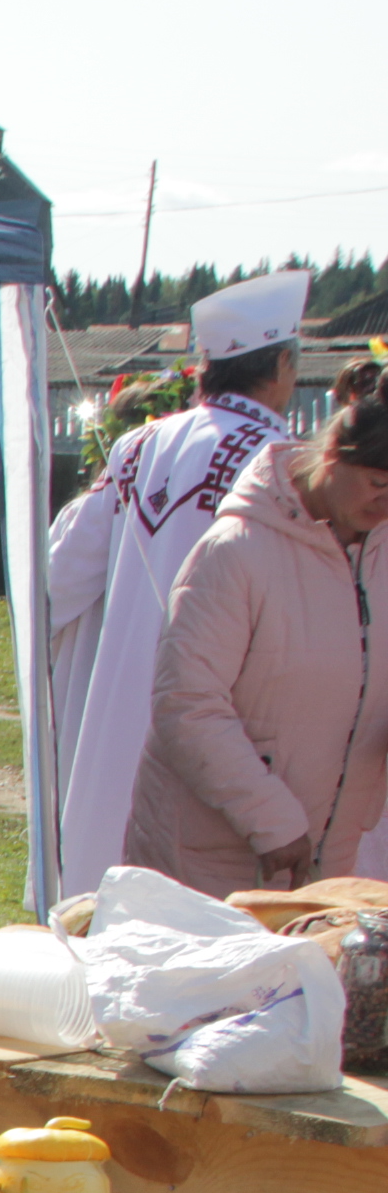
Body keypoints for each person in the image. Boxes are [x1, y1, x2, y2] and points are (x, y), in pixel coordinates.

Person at [51, 268, 309, 899]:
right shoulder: (286, 463)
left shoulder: (137, 446)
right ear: (279, 365)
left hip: (120, 711)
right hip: (229, 709)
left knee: (104, 899)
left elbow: (61, 578)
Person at [127, 361, 388, 893]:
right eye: (378, 483)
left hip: (324, 856)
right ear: (334, 456)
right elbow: (187, 702)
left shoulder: (380, 554)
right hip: (214, 859)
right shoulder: (237, 550)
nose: (386, 503)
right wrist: (271, 819)